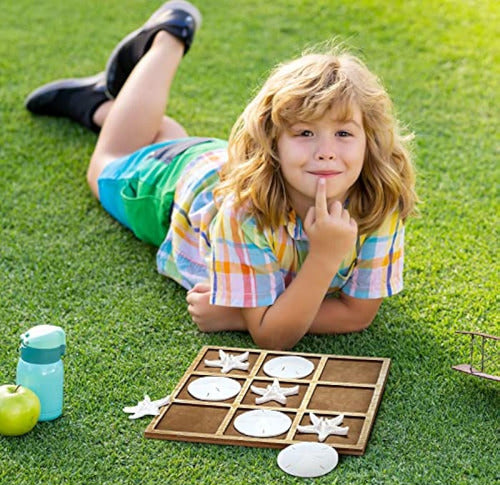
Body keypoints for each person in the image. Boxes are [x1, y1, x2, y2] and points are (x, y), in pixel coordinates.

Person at [25, 1, 418, 349]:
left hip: (218, 162)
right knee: (107, 165)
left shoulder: (377, 200)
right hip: (178, 188)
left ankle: (112, 103)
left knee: (161, 136)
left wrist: (236, 316)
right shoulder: (244, 211)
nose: (326, 150)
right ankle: (169, 36)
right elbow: (271, 334)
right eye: (305, 133)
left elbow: (356, 315)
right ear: (272, 143)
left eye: (344, 133)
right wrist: (325, 257)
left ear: (371, 142)